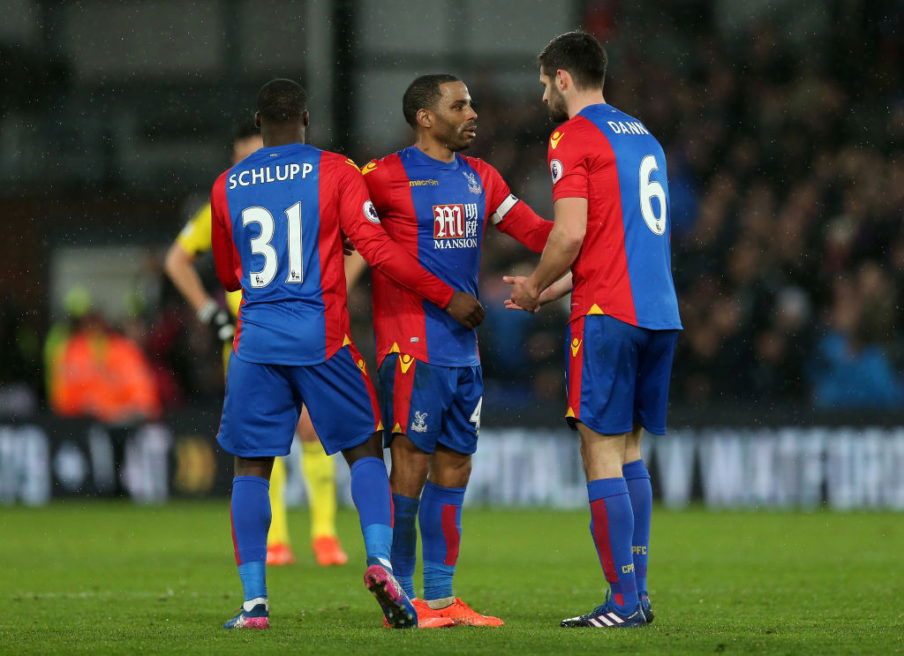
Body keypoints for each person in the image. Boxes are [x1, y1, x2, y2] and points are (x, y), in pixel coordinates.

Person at [210, 78, 484, 630]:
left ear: (259, 125)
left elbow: (227, 274)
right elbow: (378, 248)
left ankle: (254, 605)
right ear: (307, 119)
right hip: (322, 337)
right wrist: (446, 295)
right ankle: (381, 564)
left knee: (250, 468)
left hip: (256, 341)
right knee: (363, 451)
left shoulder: (228, 184)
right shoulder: (334, 171)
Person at [363, 74, 552, 628]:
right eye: (459, 105)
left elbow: (538, 232)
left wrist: (597, 229)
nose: (472, 113)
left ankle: (441, 599)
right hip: (411, 344)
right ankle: (399, 596)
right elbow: (350, 233)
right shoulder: (385, 176)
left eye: (470, 103)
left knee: (455, 466)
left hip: (463, 350)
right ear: (425, 117)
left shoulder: (481, 178)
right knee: (411, 465)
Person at [506, 31, 682, 628]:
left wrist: (533, 285)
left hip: (608, 316)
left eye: (542, 81)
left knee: (598, 451)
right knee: (631, 451)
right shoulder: (644, 137)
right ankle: (639, 590)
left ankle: (621, 601)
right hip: (657, 311)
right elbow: (620, 237)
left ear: (561, 77)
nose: (542, 94)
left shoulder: (572, 135)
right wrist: (557, 288)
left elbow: (571, 234)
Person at [164, 125, 362, 567]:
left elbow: (361, 244)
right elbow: (175, 258)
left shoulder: (304, 192)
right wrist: (207, 311)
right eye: (243, 159)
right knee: (261, 443)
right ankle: (275, 541)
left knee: (311, 430)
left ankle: (325, 535)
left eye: (259, 155)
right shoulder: (229, 199)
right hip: (249, 335)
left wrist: (334, 293)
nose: (253, 167)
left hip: (304, 328)